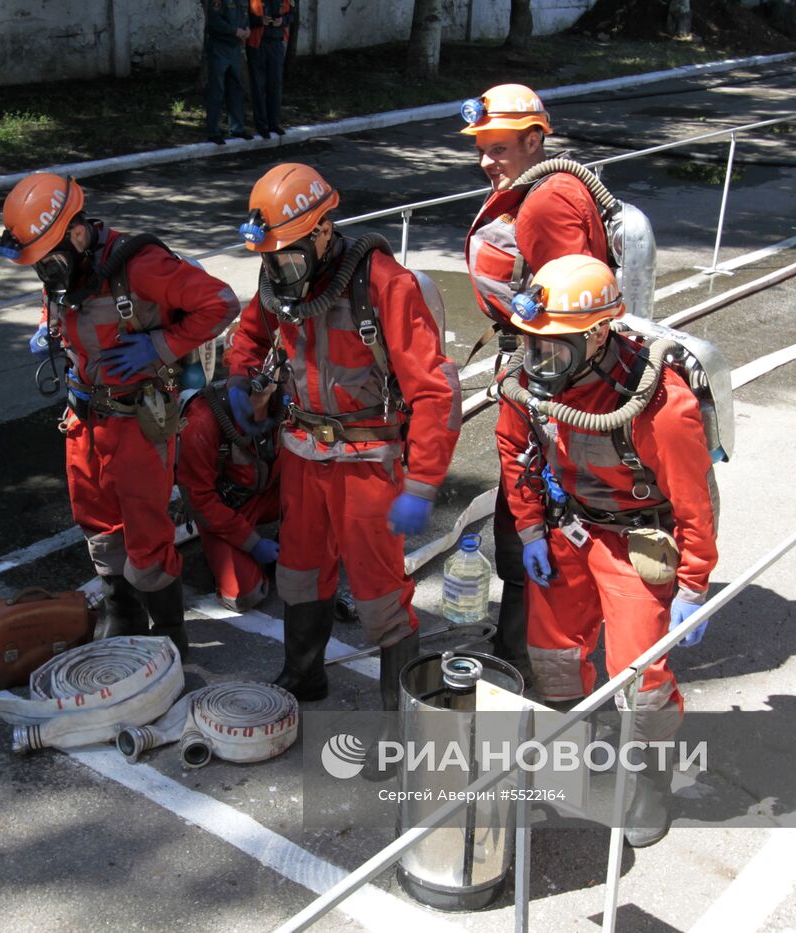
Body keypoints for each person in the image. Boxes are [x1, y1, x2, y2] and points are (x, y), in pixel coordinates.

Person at [495, 253, 718, 848]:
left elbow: (694, 503)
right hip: (567, 529)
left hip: (633, 540)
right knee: (551, 653)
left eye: (555, 347)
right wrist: (531, 531)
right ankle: (576, 756)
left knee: (640, 677)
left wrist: (694, 584)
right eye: (532, 344)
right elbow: (514, 453)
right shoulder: (529, 382)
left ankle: (650, 782)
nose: (539, 359)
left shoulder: (660, 405)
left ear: (597, 334)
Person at [227, 162, 461, 709]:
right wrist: (240, 382)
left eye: (287, 255)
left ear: (324, 232)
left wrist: (423, 484)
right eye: (270, 257)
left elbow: (435, 394)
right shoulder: (276, 280)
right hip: (303, 456)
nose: (279, 268)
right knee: (300, 573)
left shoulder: (384, 285)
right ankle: (303, 675)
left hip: (368, 462)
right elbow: (250, 335)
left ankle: (402, 715)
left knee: (380, 594)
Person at [0, 173, 239, 658]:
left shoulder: (140, 265)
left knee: (146, 529)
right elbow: (65, 306)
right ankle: (123, 614)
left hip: (136, 420)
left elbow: (221, 302)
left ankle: (170, 634)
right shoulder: (65, 270)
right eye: (37, 263)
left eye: (48, 258)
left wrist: (160, 345)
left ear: (78, 232)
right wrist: (51, 331)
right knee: (97, 519)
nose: (44, 271)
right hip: (85, 416)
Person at [460, 83, 608, 680]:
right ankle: (524, 637)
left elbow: (568, 312)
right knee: (523, 510)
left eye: (498, 149)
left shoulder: (547, 204)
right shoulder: (539, 190)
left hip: (547, 376)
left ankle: (528, 655)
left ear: (535, 140)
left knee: (533, 511)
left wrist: (541, 394)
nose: (486, 161)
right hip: (532, 363)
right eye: (481, 148)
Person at [177, 380, 283, 612]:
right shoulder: (202, 420)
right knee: (244, 595)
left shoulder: (285, 405)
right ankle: (226, 554)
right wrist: (252, 543)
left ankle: (286, 542)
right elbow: (200, 500)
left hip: (271, 493)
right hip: (225, 510)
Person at [204, 0, 252, 144]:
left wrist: (247, 29)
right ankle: (213, 131)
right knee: (216, 89)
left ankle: (237, 128)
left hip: (235, 48)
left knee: (236, 88)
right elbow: (214, 21)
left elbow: (246, 17)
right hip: (219, 46)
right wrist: (235, 31)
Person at [246, 0, 293, 138]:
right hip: (257, 44)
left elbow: (292, 14)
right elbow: (242, 16)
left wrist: (283, 20)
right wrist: (259, 20)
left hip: (276, 43)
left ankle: (274, 123)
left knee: (275, 85)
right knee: (258, 85)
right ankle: (261, 125)